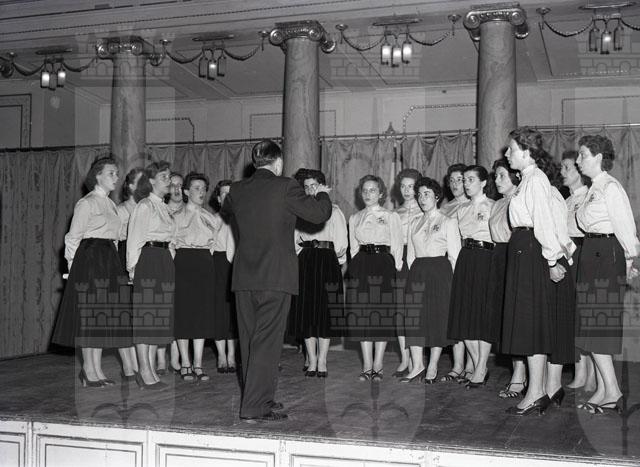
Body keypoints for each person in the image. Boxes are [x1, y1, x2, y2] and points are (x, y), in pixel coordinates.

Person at [221, 140, 332, 422]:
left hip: (244, 277)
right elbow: (319, 215)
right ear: (278, 163)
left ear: (255, 162)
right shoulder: (286, 186)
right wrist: (321, 193)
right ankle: (254, 406)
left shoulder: (237, 190)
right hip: (275, 276)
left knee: (249, 341)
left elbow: (227, 208)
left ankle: (259, 398)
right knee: (267, 343)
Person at [501, 127, 575, 415]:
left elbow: (544, 223)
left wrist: (553, 261)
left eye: (511, 149)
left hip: (531, 250)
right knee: (529, 323)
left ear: (527, 151)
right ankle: (538, 390)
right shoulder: (527, 180)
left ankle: (535, 393)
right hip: (524, 249)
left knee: (531, 324)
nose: (507, 154)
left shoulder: (536, 180)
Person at [52, 156, 131, 387]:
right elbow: (72, 238)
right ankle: (89, 370)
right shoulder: (86, 203)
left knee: (101, 317)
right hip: (90, 260)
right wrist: (72, 270)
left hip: (108, 260)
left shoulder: (110, 205)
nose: (116, 177)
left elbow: (115, 237)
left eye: (116, 173)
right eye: (111, 173)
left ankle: (96, 370)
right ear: (97, 176)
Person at [575, 134, 639, 414]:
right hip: (592, 252)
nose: (578, 160)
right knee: (590, 326)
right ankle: (603, 389)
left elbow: (625, 228)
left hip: (606, 254)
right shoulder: (593, 188)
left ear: (599, 157)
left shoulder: (611, 187)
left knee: (598, 325)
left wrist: (632, 262)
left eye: (583, 155)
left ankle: (613, 391)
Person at [345, 175, 403, 382]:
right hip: (361, 264)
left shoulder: (390, 216)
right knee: (362, 314)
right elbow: (353, 248)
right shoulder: (355, 218)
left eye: (372, 190)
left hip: (383, 264)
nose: (368, 194)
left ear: (381, 194)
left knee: (381, 314)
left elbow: (397, 245)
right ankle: (367, 365)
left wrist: (396, 269)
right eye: (365, 190)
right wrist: (355, 268)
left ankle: (378, 364)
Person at [403, 177, 461, 384]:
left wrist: (451, 282)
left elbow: (454, 255)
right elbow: (410, 256)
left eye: (426, 194)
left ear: (436, 196)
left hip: (440, 272)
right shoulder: (414, 222)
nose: (422, 198)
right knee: (414, 318)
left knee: (437, 318)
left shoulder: (448, 221)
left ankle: (433, 365)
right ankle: (417, 365)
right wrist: (415, 273)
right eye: (419, 195)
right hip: (418, 271)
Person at [293, 169, 348, 378]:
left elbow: (341, 243)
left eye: (314, 186)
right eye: (306, 187)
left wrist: (337, 262)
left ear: (322, 187)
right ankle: (312, 360)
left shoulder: (334, 210)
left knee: (325, 312)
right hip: (306, 261)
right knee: (307, 312)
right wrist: (300, 255)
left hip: (327, 261)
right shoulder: (299, 211)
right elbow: (294, 240)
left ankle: (322, 361)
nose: (310, 190)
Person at [127, 161, 175, 389]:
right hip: (148, 260)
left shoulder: (165, 208)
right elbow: (134, 240)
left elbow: (171, 240)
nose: (169, 181)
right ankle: (144, 370)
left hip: (164, 260)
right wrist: (132, 270)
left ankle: (152, 369)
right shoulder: (145, 206)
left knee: (158, 317)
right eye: (164, 177)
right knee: (146, 317)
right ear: (152, 181)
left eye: (169, 177)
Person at [447, 165, 496, 388]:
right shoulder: (461, 209)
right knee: (464, 315)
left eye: (470, 180)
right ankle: (479, 366)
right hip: (465, 259)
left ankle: (480, 367)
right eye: (464, 180)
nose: (465, 184)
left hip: (486, 258)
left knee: (482, 315)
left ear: (483, 182)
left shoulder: (493, 206)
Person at [172, 172, 218, 382]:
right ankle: (185, 363)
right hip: (183, 262)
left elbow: (213, 244)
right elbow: (171, 244)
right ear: (186, 191)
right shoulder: (176, 216)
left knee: (201, 313)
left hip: (204, 263)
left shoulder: (210, 217)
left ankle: (198, 364)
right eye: (196, 188)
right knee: (184, 314)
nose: (201, 192)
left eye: (204, 189)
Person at [489, 159, 525, 399]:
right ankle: (517, 371)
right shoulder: (498, 204)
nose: (497, 180)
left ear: (515, 177)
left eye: (502, 175)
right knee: (504, 318)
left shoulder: (520, 200)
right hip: (499, 257)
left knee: (517, 317)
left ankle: (520, 376)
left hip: (516, 256)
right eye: (496, 176)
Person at [560, 150, 596, 393]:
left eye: (567, 168)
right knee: (574, 316)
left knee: (587, 315)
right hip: (569, 257)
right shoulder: (566, 201)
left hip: (584, 254)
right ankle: (580, 372)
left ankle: (592, 375)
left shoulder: (589, 197)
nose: (562, 172)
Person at [438, 163, 472, 382]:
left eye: (459, 179)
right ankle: (458, 364)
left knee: (470, 314)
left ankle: (472, 365)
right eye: (451, 180)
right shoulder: (445, 208)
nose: (455, 184)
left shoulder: (475, 204)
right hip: (450, 264)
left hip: (470, 262)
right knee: (456, 315)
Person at [392, 168, 423, 378]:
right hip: (400, 261)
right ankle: (405, 359)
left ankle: (418, 361)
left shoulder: (425, 211)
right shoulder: (395, 214)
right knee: (400, 312)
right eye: (403, 186)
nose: (406, 190)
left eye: (411, 186)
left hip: (419, 260)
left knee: (416, 312)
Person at [115, 167, 144, 380]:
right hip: (122, 260)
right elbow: (114, 240)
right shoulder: (121, 210)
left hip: (143, 258)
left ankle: (140, 363)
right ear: (131, 186)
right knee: (124, 314)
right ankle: (127, 364)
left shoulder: (148, 208)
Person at [157, 172, 184, 375]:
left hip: (183, 264)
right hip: (163, 262)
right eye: (172, 185)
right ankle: (160, 359)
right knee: (162, 310)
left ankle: (175, 358)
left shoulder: (192, 211)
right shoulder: (160, 210)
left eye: (180, 185)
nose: (176, 189)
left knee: (178, 312)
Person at [211, 179, 238, 374]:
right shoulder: (213, 219)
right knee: (219, 310)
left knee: (235, 312)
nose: (228, 197)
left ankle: (232, 355)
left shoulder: (242, 217)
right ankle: (221, 355)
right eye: (224, 194)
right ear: (219, 199)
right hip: (218, 265)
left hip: (238, 265)